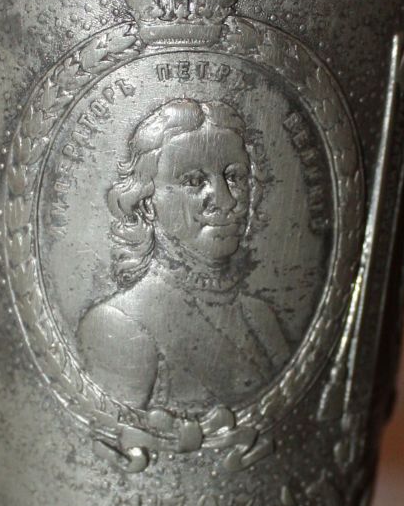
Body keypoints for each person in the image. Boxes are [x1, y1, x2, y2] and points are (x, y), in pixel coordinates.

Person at [77, 98, 290, 412]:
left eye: (234, 177)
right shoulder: (116, 326)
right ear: (147, 204)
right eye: (193, 181)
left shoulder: (261, 318)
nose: (224, 200)